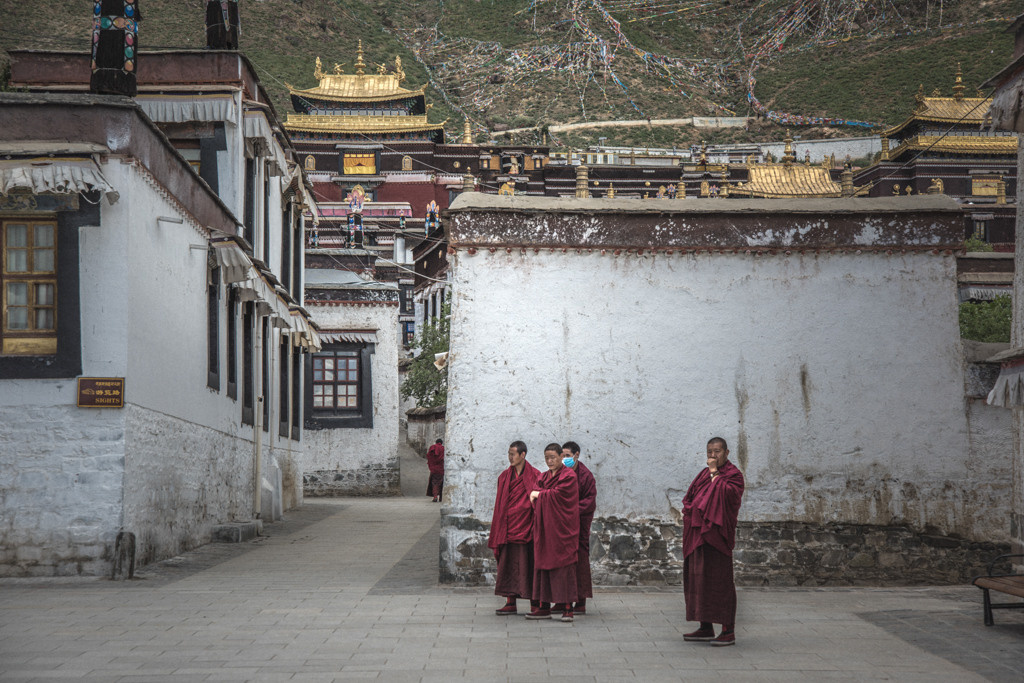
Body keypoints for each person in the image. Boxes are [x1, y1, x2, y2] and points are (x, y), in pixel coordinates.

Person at [681, 437, 745, 646]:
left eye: (717, 451)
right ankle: (705, 626)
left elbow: (730, 497)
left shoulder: (733, 476)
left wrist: (715, 474)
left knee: (720, 581)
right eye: (709, 451)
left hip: (717, 536)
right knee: (699, 579)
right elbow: (690, 499)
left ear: (727, 453)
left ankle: (728, 630)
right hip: (698, 535)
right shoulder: (702, 475)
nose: (713, 455)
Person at [488, 440, 541, 615]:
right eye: (509, 453)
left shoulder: (536, 475)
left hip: (527, 528)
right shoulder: (504, 477)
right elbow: (500, 504)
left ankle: (535, 603)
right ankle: (510, 602)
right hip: (508, 527)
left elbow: (538, 503)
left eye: (513, 454)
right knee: (507, 565)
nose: (510, 457)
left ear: (523, 454)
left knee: (530, 565)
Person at [528, 443, 579, 622]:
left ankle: (567, 608)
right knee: (542, 566)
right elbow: (536, 492)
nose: (549, 461)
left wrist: (540, 494)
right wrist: (541, 494)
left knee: (564, 568)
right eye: (547, 458)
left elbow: (558, 495)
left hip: (563, 530)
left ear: (561, 458)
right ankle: (543, 607)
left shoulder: (569, 476)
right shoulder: (543, 476)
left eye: (553, 458)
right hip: (544, 529)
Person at [562, 441, 595, 615]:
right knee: (561, 561)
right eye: (563, 456)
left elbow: (590, 501)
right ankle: (561, 599)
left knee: (579, 559)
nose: (565, 459)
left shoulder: (586, 476)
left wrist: (571, 510)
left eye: (567, 456)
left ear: (577, 455)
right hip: (562, 525)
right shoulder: (560, 473)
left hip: (579, 523)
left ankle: (580, 600)